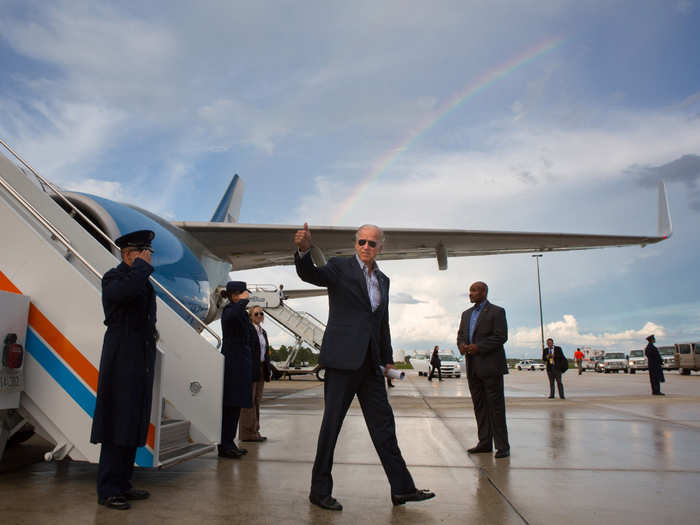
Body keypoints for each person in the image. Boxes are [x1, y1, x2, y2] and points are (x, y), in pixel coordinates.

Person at [294, 222, 434, 511]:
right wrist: (304, 250)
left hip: (371, 365)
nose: (366, 247)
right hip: (342, 363)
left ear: (381, 247)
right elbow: (311, 275)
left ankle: (402, 489)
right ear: (355, 244)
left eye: (372, 243)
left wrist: (387, 359)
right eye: (362, 243)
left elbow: (382, 323)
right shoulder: (339, 267)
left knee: (384, 428)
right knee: (331, 428)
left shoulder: (383, 280)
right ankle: (319, 491)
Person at [90, 230, 157, 510]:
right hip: (122, 357)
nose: (148, 256)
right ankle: (108, 489)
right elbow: (124, 294)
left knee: (132, 421)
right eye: (143, 252)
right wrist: (140, 267)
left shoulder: (141, 280)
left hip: (139, 357)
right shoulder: (114, 277)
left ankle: (123, 483)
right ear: (128, 254)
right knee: (118, 420)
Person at [457, 281, 510, 459]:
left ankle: (502, 446)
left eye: (474, 291)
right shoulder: (466, 314)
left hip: (491, 366)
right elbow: (461, 335)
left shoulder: (497, 311)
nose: (470, 294)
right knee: (479, 406)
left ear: (484, 292)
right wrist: (462, 346)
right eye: (470, 290)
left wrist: (478, 347)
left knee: (495, 407)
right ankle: (484, 442)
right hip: (472, 367)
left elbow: (501, 336)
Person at [219, 281, 254, 458]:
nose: (246, 295)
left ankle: (229, 442)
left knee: (235, 405)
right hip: (233, 362)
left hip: (241, 362)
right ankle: (225, 443)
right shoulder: (229, 310)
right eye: (242, 293)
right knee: (229, 405)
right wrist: (242, 302)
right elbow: (231, 317)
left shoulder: (240, 312)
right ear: (234, 295)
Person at [239, 305, 271, 442]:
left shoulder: (263, 332)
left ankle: (255, 431)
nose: (259, 316)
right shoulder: (248, 330)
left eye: (261, 314)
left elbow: (265, 352)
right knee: (248, 401)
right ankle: (246, 433)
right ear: (250, 316)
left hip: (262, 368)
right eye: (256, 314)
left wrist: (267, 369)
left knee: (257, 401)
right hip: (251, 368)